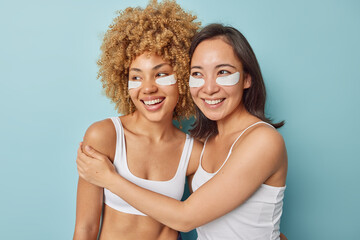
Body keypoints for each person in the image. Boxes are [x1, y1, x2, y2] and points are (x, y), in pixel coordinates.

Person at [77, 23, 288, 239]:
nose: (209, 88)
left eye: (223, 72)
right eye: (198, 73)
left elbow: (185, 218)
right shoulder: (206, 143)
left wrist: (109, 179)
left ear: (247, 78)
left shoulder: (260, 141)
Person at [73, 1, 202, 239]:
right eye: (136, 77)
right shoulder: (105, 136)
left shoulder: (194, 152)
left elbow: (204, 216)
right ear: (124, 83)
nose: (148, 88)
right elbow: (85, 229)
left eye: (161, 74)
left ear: (183, 77)